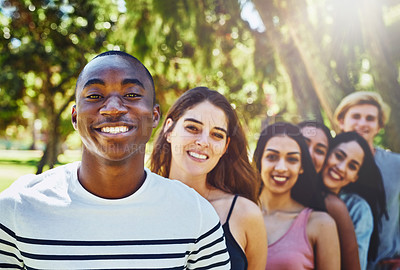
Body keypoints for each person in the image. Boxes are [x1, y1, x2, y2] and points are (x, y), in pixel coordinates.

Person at [0, 51, 230, 269]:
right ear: (75, 116)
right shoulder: (17, 209)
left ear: (154, 116)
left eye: (131, 94)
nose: (112, 108)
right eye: (94, 96)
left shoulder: (195, 213)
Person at [150, 87, 267, 270]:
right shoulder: (139, 201)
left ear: (225, 146)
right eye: (192, 128)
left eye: (217, 135)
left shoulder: (245, 214)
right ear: (169, 129)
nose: (203, 142)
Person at [253, 122, 340, 270]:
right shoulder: (236, 212)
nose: (281, 168)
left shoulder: (321, 224)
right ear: (260, 160)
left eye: (292, 159)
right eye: (272, 157)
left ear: (301, 167)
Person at [334, 91, 399, 270]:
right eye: (356, 116)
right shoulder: (328, 163)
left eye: (370, 118)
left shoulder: (396, 164)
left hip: (387, 263)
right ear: (341, 121)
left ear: (379, 127)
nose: (362, 123)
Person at [299, 120, 361, 270]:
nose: (309, 153)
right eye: (303, 143)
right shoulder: (256, 195)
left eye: (320, 151)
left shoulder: (332, 206)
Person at [321, 132, 387, 270]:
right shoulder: (298, 191)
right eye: (338, 156)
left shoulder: (358, 209)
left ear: (355, 177)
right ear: (327, 153)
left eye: (352, 166)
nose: (341, 168)